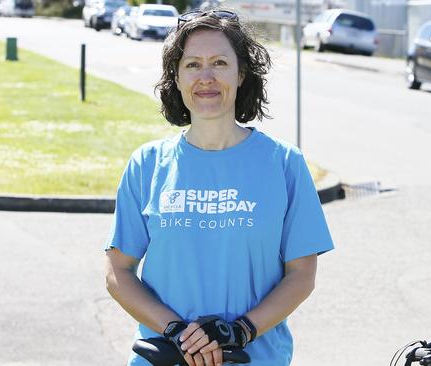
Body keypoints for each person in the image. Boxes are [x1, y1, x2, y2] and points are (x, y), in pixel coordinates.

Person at [105, 8, 334, 366]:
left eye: (220, 63)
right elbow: (117, 273)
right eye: (193, 65)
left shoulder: (284, 164)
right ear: (176, 78)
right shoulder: (147, 165)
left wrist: (240, 331)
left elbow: (302, 276)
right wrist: (176, 331)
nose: (206, 77)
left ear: (241, 73)